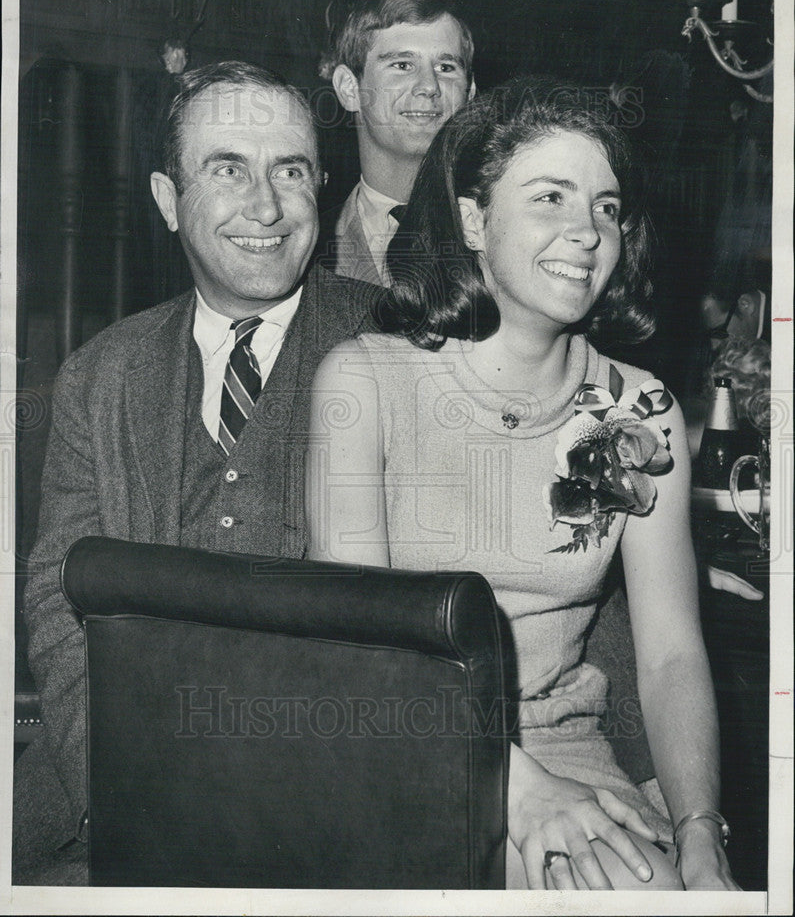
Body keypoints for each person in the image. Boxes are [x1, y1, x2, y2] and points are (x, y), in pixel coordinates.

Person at [307, 79, 739, 890]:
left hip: (564, 744)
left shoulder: (638, 406)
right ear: (473, 219)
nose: (587, 233)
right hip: (396, 737)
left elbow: (672, 655)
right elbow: (363, 646)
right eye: (551, 197)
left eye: (607, 208)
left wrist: (699, 837)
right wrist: (513, 787)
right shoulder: (362, 382)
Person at [14, 60, 373, 883]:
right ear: (168, 201)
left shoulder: (398, 345)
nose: (266, 207)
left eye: (289, 170)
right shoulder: (100, 373)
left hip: (330, 793)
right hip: (113, 777)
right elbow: (59, 606)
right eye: (227, 170)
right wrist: (121, 789)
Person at [316, 0, 475, 285]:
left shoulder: (503, 232)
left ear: (470, 93)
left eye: (446, 67)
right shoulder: (309, 246)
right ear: (350, 89)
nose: (429, 86)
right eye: (403, 65)